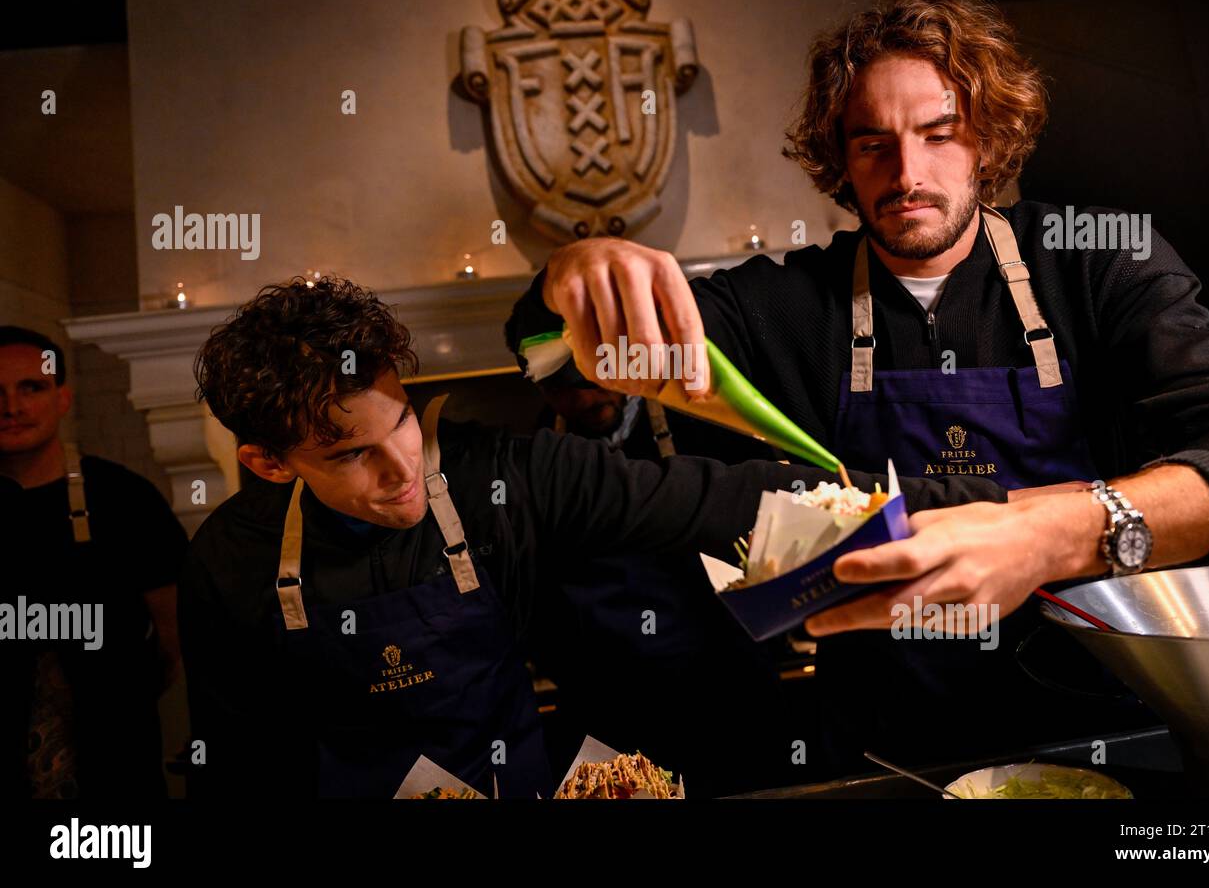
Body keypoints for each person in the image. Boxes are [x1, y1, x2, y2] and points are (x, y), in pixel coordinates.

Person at [504, 0, 1209, 770]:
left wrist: (1056, 531)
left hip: (1113, 726)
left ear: (989, 141)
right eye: (872, 142)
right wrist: (565, 278)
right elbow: (546, 351)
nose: (907, 172)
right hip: (895, 750)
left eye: (940, 133)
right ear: (840, 161)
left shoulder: (1097, 261)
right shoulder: (780, 304)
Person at [178, 276, 991, 798]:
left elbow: (728, 499)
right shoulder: (229, 560)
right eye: (349, 455)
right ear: (269, 462)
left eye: (399, 425)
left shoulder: (505, 475)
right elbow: (239, 767)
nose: (398, 469)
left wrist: (998, 508)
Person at [503, 304, 792, 797]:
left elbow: (765, 532)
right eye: (564, 387)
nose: (586, 396)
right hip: (607, 704)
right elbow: (529, 588)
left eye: (593, 378)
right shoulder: (532, 458)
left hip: (725, 689)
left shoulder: (700, 418)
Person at [0, 326, 187, 798]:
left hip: (116, 768)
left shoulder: (124, 498)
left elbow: (174, 637)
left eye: (31, 388)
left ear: (62, 398)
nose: (12, 407)